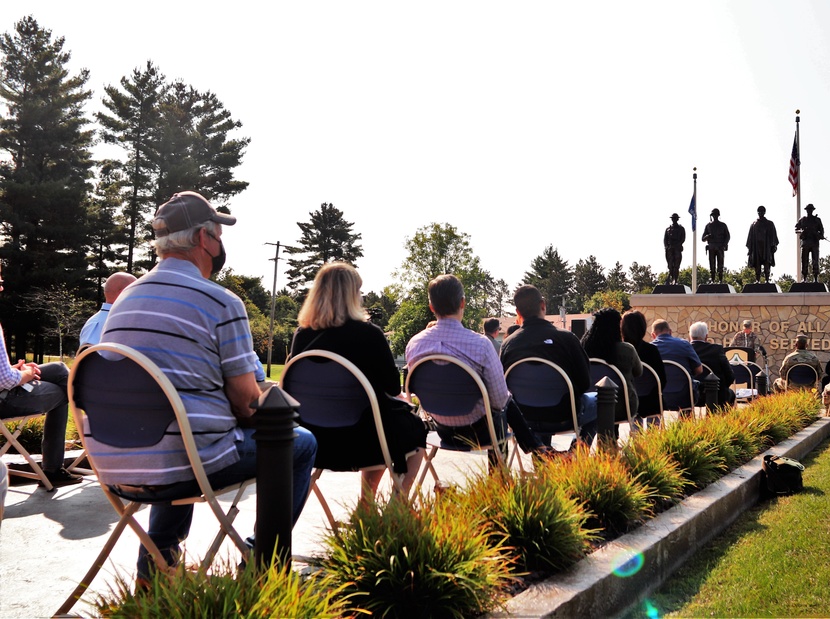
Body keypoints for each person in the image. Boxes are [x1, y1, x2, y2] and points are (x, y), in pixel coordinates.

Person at [100, 191, 318, 584]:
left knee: (177, 430)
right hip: (184, 462)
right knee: (299, 442)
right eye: (219, 236)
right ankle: (262, 563)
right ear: (204, 239)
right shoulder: (221, 302)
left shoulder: (124, 299)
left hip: (117, 461)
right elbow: (247, 404)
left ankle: (156, 568)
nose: (221, 246)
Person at [290, 261, 426, 503]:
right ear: (352, 295)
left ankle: (369, 505)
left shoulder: (302, 336)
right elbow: (392, 388)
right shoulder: (369, 334)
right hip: (362, 443)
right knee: (416, 430)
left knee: (378, 421)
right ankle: (382, 506)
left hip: (312, 443)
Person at [405, 274, 554, 464]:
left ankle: (538, 448)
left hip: (440, 431)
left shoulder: (414, 345)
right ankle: (507, 474)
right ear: (463, 303)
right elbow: (499, 402)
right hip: (481, 433)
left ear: (432, 307)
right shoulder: (481, 345)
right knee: (505, 402)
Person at [0, 265, 79, 489]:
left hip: (4, 388)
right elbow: (4, 381)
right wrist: (23, 374)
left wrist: (14, 369)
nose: (2, 287)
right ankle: (53, 469)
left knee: (58, 369)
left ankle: (54, 468)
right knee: (64, 391)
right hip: (4, 399)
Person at [500, 285, 596, 447]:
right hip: (564, 415)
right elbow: (585, 382)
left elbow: (503, 386)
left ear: (518, 312)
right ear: (543, 305)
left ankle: (542, 454)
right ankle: (578, 451)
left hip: (524, 417)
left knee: (536, 403)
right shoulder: (567, 339)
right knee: (603, 400)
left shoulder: (508, 344)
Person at [581, 308, 640, 421]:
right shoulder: (627, 349)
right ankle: (611, 437)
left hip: (588, 405)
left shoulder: (583, 348)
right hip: (622, 407)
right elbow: (638, 372)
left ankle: (585, 438)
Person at [651, 319, 704, 410]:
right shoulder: (684, 344)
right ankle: (685, 422)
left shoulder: (650, 349)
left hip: (658, 398)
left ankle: (655, 424)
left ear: (653, 335)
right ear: (670, 332)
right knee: (691, 386)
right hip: (684, 396)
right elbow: (699, 370)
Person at [78, 271, 136, 347]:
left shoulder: (102, 321)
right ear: (123, 293)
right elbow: (91, 357)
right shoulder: (98, 324)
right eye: (137, 290)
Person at [688, 321, 735, 408]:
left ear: (690, 336)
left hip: (689, 395)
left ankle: (686, 419)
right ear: (706, 337)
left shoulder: (683, 350)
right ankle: (723, 419)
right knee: (730, 394)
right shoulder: (716, 350)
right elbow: (730, 376)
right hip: (716, 396)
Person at [746, 205, 779, 282]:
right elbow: (750, 238)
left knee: (767, 263)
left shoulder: (769, 224)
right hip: (756, 247)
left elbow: (773, 236)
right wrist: (750, 249)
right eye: (759, 211)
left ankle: (767, 279)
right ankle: (757, 279)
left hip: (766, 247)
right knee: (757, 264)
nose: (760, 213)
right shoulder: (754, 224)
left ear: (764, 212)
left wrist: (773, 246)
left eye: (762, 211)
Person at [795, 204, 824, 282]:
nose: (809, 211)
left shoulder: (817, 220)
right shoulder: (803, 220)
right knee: (804, 261)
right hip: (805, 243)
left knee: (815, 261)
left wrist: (817, 234)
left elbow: (822, 233)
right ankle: (804, 278)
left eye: (811, 209)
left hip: (814, 243)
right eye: (808, 209)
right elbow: (796, 229)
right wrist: (803, 231)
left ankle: (815, 278)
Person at [701, 208, 730, 282]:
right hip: (712, 247)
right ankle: (713, 279)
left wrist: (724, 244)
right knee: (712, 264)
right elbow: (703, 238)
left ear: (718, 215)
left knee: (720, 265)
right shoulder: (708, 226)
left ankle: (720, 280)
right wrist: (708, 236)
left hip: (720, 247)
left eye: (716, 215)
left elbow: (727, 236)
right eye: (713, 215)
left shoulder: (723, 225)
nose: (715, 216)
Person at [663, 213, 685, 284]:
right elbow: (665, 239)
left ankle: (675, 279)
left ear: (677, 219)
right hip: (669, 249)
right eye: (673, 218)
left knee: (676, 266)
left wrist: (678, 245)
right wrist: (666, 247)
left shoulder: (681, 228)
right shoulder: (668, 229)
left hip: (677, 248)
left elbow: (683, 238)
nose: (674, 220)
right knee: (670, 266)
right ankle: (671, 278)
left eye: (675, 218)